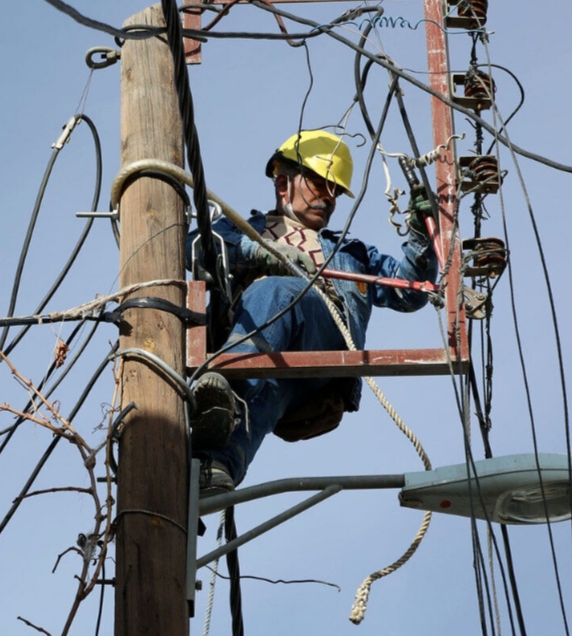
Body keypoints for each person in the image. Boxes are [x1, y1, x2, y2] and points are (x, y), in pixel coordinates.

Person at [187, 129, 438, 495]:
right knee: (263, 391)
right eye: (320, 184)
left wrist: (421, 233)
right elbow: (192, 247)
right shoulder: (241, 231)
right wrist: (258, 252)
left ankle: (225, 383)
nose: (330, 197)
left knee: (276, 292)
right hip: (269, 355)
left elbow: (410, 291)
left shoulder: (352, 252)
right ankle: (211, 472)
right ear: (283, 182)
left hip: (325, 346)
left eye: (336, 190)